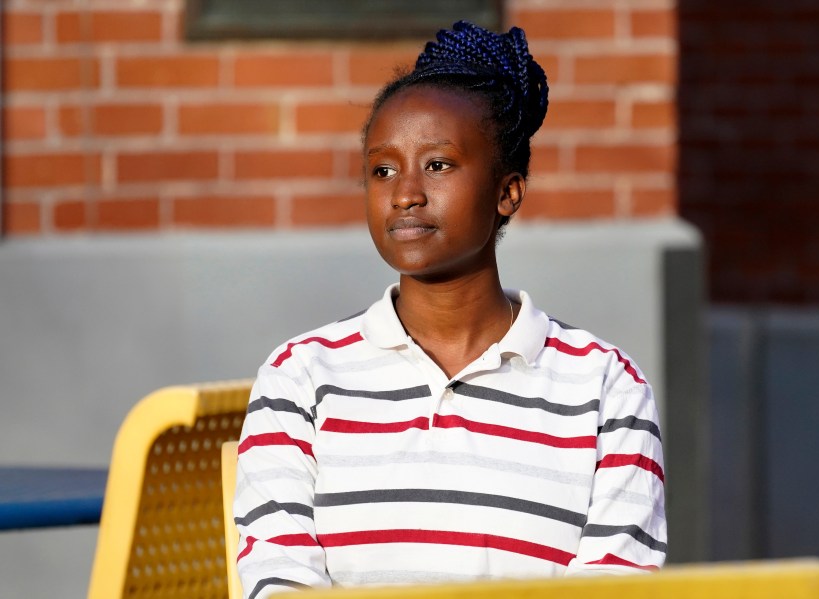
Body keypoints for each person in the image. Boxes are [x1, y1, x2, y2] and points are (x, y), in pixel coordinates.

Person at [233, 21, 667, 599]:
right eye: (382, 169)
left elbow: (618, 586)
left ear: (507, 191)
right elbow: (279, 581)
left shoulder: (606, 388)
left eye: (437, 165)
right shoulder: (300, 376)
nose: (404, 192)